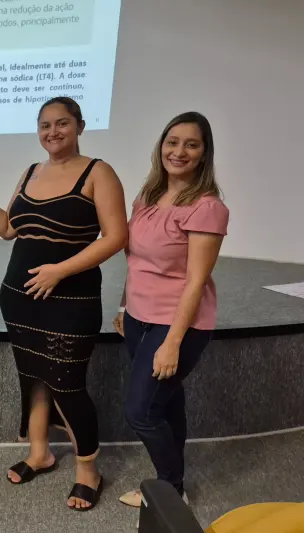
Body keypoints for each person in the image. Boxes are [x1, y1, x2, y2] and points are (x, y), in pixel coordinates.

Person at [0, 97, 128, 510]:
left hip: (71, 299)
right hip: (19, 299)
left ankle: (89, 470)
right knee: (33, 378)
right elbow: (7, 229)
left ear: (80, 126)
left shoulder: (99, 172)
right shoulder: (31, 172)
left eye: (62, 124)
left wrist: (60, 270)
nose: (52, 132)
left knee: (68, 385)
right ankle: (40, 452)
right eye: (44, 125)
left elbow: (115, 237)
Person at [114, 112, 229, 516]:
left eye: (191, 144)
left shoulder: (207, 207)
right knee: (166, 401)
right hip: (139, 317)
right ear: (161, 145)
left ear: (203, 153)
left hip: (176, 323)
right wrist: (125, 305)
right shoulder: (147, 197)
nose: (179, 151)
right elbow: (136, 260)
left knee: (141, 412)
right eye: (172, 141)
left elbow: (196, 282)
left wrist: (172, 344)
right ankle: (173, 483)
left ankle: (170, 487)